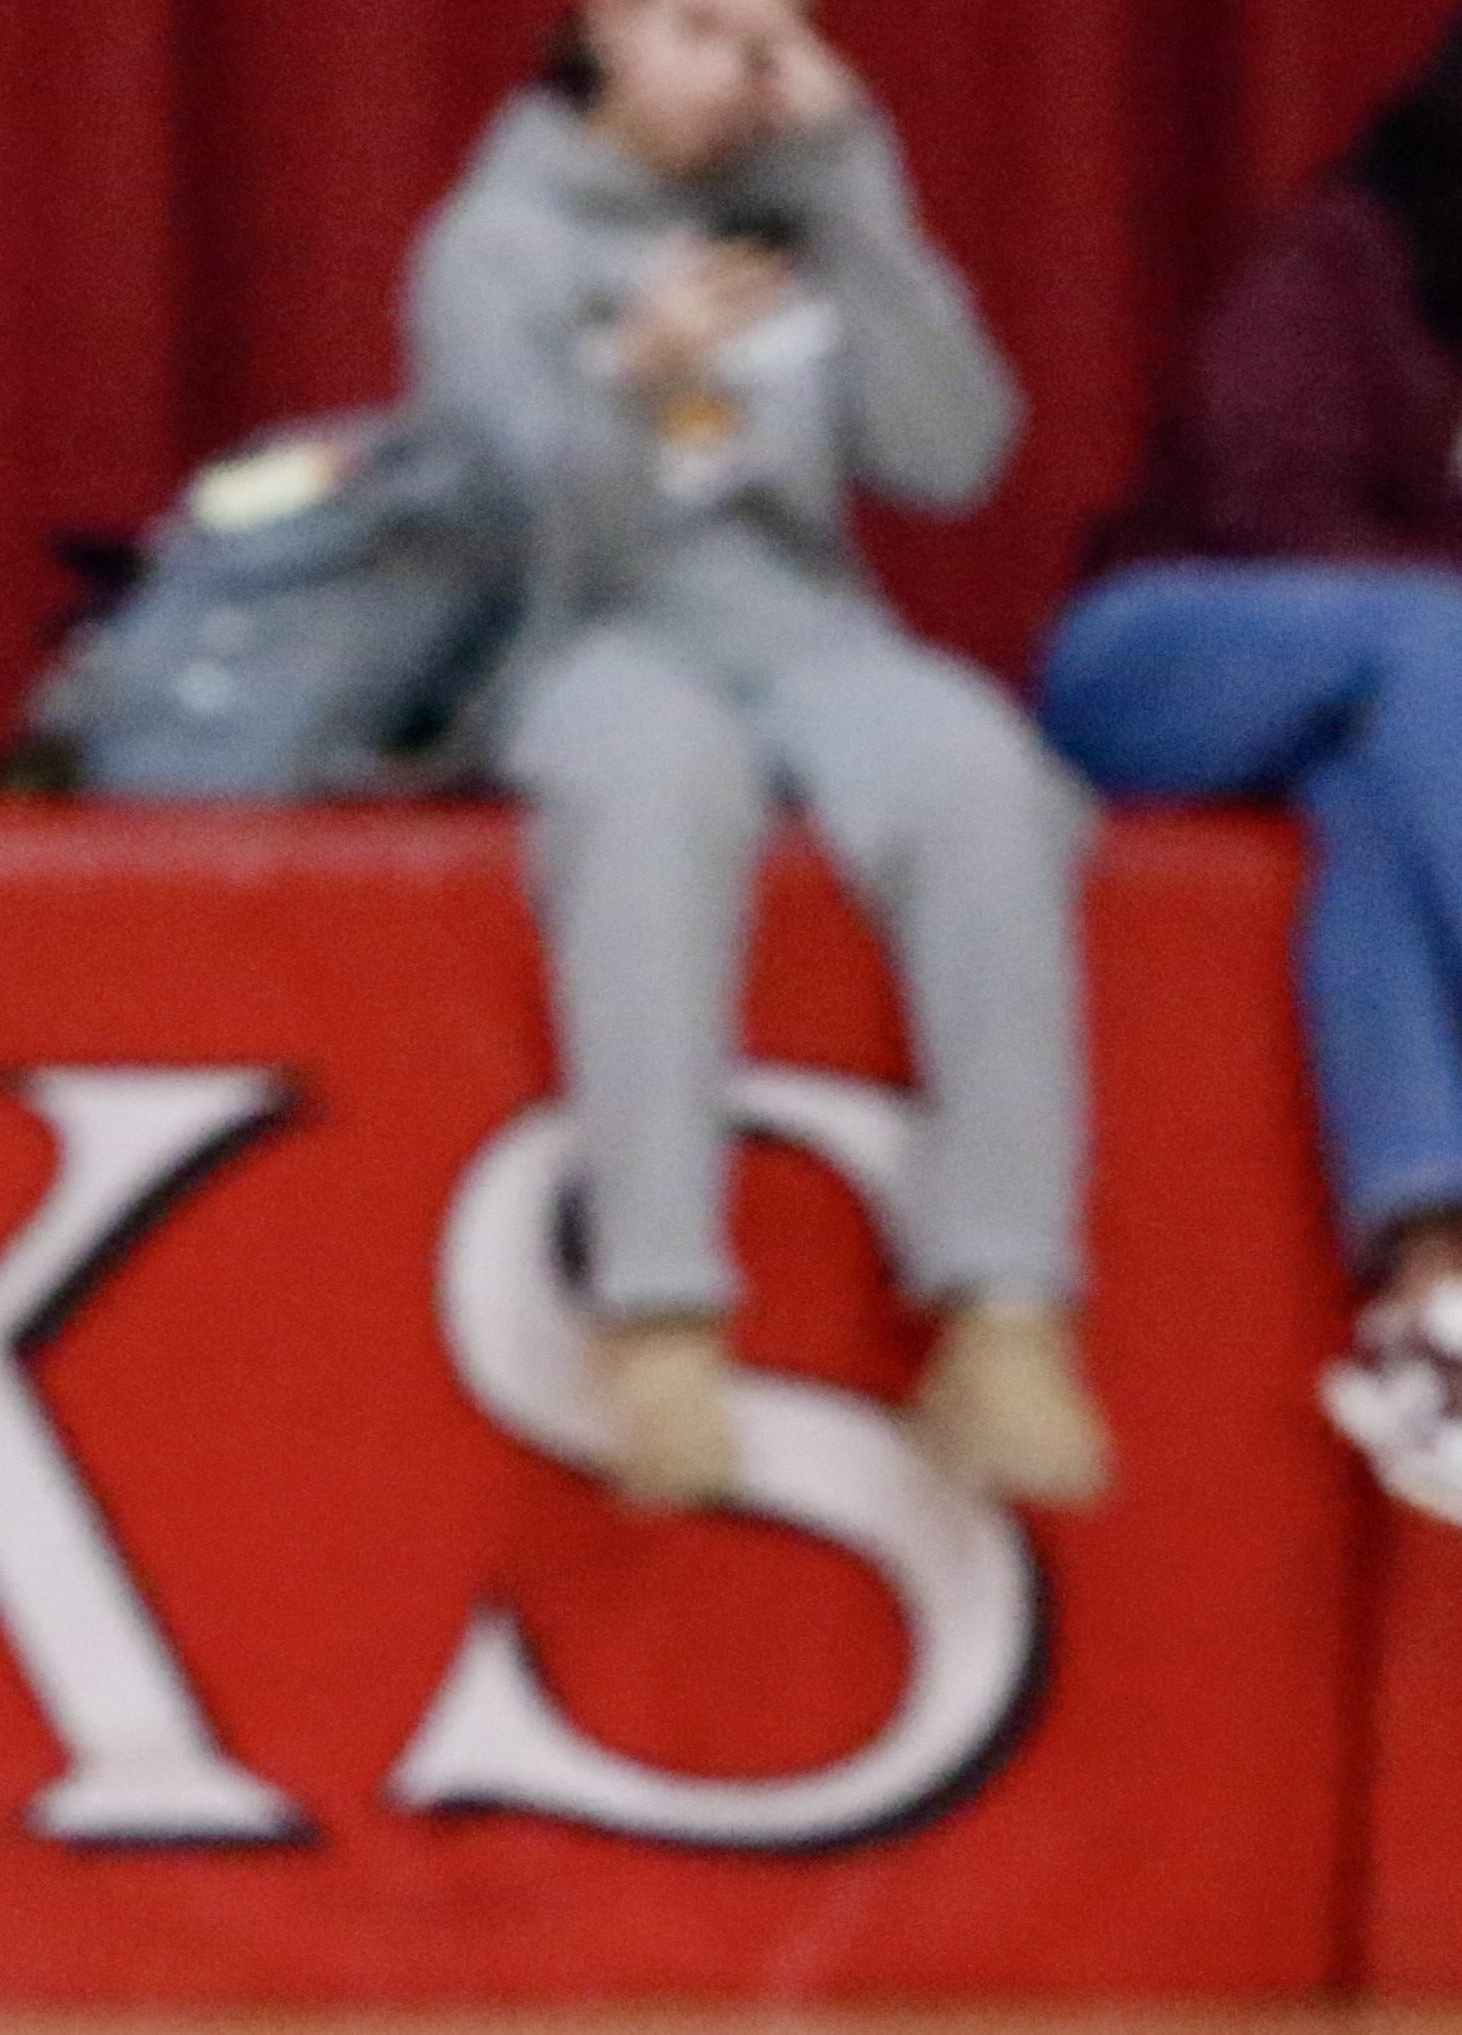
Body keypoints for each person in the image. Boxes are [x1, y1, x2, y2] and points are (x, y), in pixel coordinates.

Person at [413, 0, 1111, 1514]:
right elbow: (499, 539)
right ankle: (658, 1314)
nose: (732, 71)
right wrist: (632, 382)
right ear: (598, 33)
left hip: (805, 628)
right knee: (654, 789)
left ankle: (1004, 1306)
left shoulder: (804, 221)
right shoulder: (496, 242)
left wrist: (856, 188)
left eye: (762, 36)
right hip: (590, 629)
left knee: (975, 774)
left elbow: (949, 453)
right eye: (693, 29)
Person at [1044, 1, 1462, 1538]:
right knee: (1430, 644)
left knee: (1378, 813)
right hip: (1157, 659)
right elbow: (1261, 495)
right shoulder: (1344, 261)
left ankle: (1429, 1306)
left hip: (1377, 725)